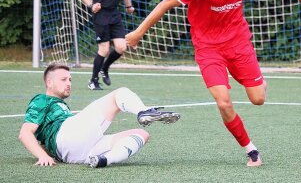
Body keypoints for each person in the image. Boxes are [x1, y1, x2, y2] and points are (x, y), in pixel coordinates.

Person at [125, 0, 301, 167]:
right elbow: (165, 3)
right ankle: (251, 150)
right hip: (208, 49)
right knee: (224, 102)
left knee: (258, 99)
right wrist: (138, 33)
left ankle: (255, 82)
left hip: (239, 43)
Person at [18, 63, 181, 168]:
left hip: (74, 154)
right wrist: (42, 156)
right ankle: (142, 111)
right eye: (63, 79)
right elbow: (25, 133)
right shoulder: (41, 99)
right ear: (49, 83)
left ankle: (105, 160)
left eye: (70, 79)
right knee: (119, 94)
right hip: (66, 136)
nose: (69, 83)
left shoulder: (60, 106)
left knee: (142, 134)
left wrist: (47, 151)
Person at [76, 0, 135, 90]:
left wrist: (128, 5)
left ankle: (105, 68)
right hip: (101, 14)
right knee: (104, 49)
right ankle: (93, 81)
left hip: (114, 14)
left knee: (121, 47)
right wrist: (90, 4)